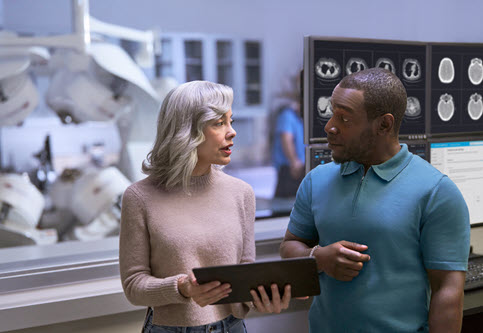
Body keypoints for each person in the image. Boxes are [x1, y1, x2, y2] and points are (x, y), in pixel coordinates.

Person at [280, 68, 470, 332]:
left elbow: (447, 292)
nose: (329, 126)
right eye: (331, 113)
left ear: (384, 124)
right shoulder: (316, 180)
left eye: (344, 118)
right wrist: (318, 257)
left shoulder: (436, 191)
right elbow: (290, 247)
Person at [119, 80, 291, 333]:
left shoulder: (241, 193)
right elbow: (134, 286)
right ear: (187, 131)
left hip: (232, 327)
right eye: (219, 123)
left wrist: (261, 298)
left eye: (230, 121)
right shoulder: (139, 197)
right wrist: (182, 287)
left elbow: (244, 272)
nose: (232, 131)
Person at [272, 100, 305, 198]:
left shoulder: (301, 118)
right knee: (285, 202)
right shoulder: (288, 115)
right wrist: (294, 161)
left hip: (301, 166)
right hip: (289, 166)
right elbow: (286, 139)